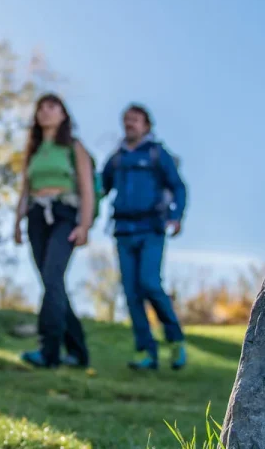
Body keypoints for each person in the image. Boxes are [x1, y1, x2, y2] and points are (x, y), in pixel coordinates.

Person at [100, 103, 188, 371]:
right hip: (123, 231)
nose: (130, 124)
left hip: (151, 227)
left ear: (146, 126)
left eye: (135, 120)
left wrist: (177, 215)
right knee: (131, 292)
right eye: (126, 119)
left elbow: (178, 186)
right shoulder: (116, 159)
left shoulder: (156, 154)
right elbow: (100, 187)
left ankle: (175, 339)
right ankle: (147, 352)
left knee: (149, 283)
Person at [13, 94, 95, 369]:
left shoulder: (74, 146)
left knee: (52, 275)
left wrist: (84, 224)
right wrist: (17, 222)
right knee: (52, 283)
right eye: (40, 108)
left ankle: (48, 351)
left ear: (63, 114)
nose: (45, 112)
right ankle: (79, 351)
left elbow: (86, 189)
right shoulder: (33, 150)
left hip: (64, 215)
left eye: (52, 107)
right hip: (36, 216)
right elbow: (25, 189)